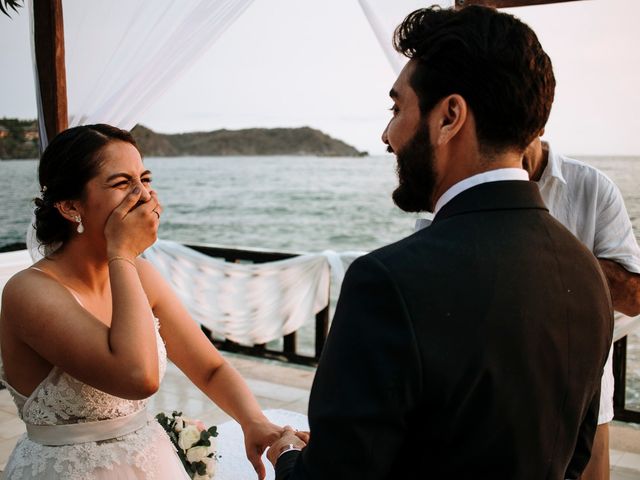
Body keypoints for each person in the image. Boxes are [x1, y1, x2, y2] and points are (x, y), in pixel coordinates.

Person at [266, 6, 613, 479]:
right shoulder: (585, 270)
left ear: (449, 116)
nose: (387, 136)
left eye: (397, 109)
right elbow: (573, 459)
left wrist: (287, 455)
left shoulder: (387, 282)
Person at [0, 124, 281, 480]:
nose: (144, 195)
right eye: (121, 183)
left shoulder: (141, 275)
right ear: (71, 206)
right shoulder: (28, 292)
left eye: (145, 179)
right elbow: (138, 377)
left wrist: (253, 421)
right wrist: (122, 251)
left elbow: (210, 368)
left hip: (151, 462)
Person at [523, 138, 640, 480]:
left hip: (585, 400)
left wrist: (543, 260)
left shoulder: (591, 186)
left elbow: (634, 298)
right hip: (499, 399)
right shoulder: (461, 187)